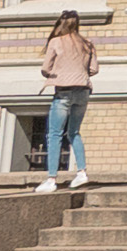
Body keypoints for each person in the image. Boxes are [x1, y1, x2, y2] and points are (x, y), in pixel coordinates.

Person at [35, 11, 97, 189]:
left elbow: (45, 68)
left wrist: (57, 72)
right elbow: (94, 69)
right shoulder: (87, 43)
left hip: (63, 91)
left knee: (54, 134)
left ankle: (51, 179)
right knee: (74, 132)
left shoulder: (56, 42)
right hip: (83, 91)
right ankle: (81, 173)